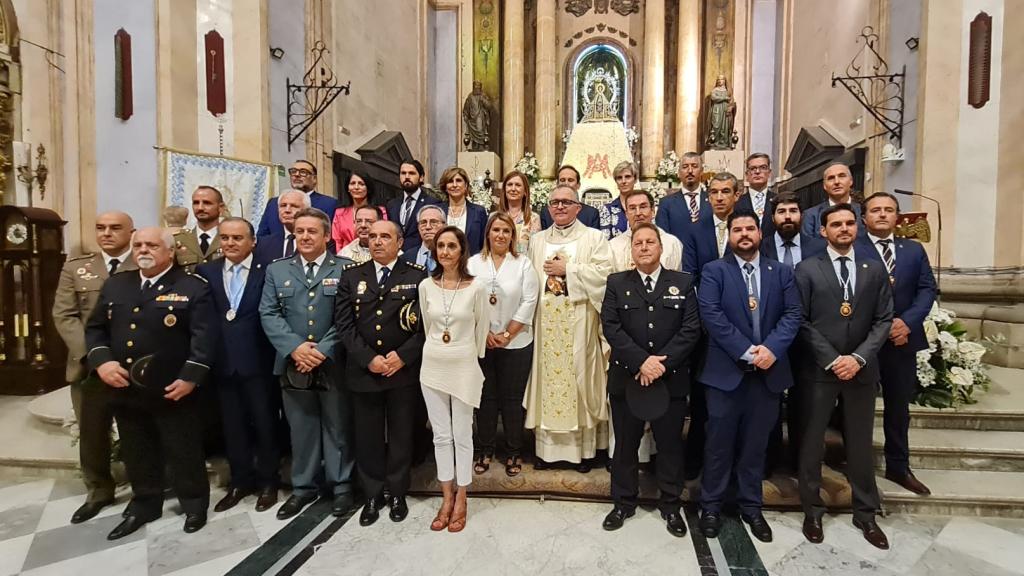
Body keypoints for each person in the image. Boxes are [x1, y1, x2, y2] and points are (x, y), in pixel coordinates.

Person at [85, 227, 214, 539]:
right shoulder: (117, 284)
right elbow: (96, 329)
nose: (144, 250)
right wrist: (103, 362)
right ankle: (145, 502)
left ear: (169, 252)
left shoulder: (192, 287)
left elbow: (204, 338)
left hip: (172, 386)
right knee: (136, 447)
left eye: (152, 245)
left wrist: (190, 377)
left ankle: (194, 503)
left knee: (182, 447)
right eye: (138, 244)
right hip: (124, 384)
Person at [696, 210, 802, 543]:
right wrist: (746, 350)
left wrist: (771, 349)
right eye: (737, 229)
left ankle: (751, 507)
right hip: (725, 374)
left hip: (768, 375)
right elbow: (711, 314)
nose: (744, 234)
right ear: (729, 236)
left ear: (760, 233)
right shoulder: (715, 270)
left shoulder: (781, 271)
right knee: (718, 446)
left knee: (756, 446)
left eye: (750, 229)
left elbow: (793, 314)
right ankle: (710, 506)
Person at [795, 203, 893, 550]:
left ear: (858, 227)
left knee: (860, 442)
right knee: (811, 441)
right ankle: (812, 509)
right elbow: (801, 320)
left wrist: (858, 358)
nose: (844, 229)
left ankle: (866, 511)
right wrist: (833, 358)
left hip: (861, 370)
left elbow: (884, 320)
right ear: (823, 231)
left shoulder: (873, 269)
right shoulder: (807, 269)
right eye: (836, 224)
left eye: (850, 223)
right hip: (820, 369)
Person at [600, 223, 701, 537]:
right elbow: (611, 326)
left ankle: (670, 506)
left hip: (668, 380)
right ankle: (623, 503)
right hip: (627, 377)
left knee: (669, 446)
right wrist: (641, 361)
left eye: (650, 242)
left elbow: (691, 329)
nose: (643, 247)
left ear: (661, 248)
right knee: (625, 446)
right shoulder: (616, 282)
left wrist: (660, 365)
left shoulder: (682, 283)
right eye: (638, 243)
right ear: (631, 250)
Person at [259, 208, 355, 520]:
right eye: (300, 231)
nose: (304, 236)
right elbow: (269, 313)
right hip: (292, 363)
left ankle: (341, 485)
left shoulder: (345, 268)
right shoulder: (278, 271)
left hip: (332, 361)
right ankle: (303, 488)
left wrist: (322, 349)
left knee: (337, 426)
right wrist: (295, 348)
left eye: (312, 231)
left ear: (327, 236)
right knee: (300, 428)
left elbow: (347, 316)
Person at [335, 220, 427, 527]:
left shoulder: (416, 275)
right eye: (372, 237)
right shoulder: (351, 276)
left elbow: (425, 325)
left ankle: (398, 492)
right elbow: (344, 325)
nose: (377, 242)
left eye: (385, 237)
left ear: (399, 242)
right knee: (368, 437)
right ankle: (372, 495)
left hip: (403, 370)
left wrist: (402, 357)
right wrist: (368, 359)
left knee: (402, 436)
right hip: (366, 372)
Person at [53, 211, 137, 524]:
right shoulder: (77, 267)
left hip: (133, 366)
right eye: (100, 227)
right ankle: (99, 490)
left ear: (131, 232)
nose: (107, 233)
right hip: (90, 366)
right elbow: (64, 315)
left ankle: (143, 486)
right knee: (92, 433)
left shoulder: (143, 264)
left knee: (137, 430)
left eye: (115, 228)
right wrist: (98, 359)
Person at [525, 185, 614, 471]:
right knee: (548, 383)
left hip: (580, 322)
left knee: (578, 381)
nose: (560, 207)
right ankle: (546, 453)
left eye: (566, 202)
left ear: (579, 207)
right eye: (554, 202)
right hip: (546, 325)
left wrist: (570, 270)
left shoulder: (594, 238)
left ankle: (582, 455)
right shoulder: (537, 241)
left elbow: (606, 276)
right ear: (548, 207)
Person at [196, 218, 281, 513]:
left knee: (266, 424)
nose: (230, 243)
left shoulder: (268, 270)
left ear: (252, 241)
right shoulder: (206, 272)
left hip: (260, 360)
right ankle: (239, 481)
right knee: (232, 426)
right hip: (223, 362)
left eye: (237, 238)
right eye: (226, 238)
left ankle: (269, 481)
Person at [857, 192, 937, 495]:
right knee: (857, 408)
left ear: (897, 217)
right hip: (864, 341)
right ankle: (856, 465)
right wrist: (883, 326)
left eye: (888, 210)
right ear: (864, 218)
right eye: (875, 210)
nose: (881, 215)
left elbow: (927, 289)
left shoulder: (913, 251)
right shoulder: (855, 247)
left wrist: (907, 322)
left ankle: (899, 466)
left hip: (903, 339)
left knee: (898, 407)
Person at [418, 226, 489, 533]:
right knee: (440, 436)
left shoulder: (476, 287)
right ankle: (446, 497)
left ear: (462, 251)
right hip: (432, 364)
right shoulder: (425, 286)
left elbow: (482, 331)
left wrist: (468, 356)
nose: (445, 251)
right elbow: (425, 325)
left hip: (463, 364)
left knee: (462, 434)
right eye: (440, 246)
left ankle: (462, 496)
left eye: (451, 246)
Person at [467, 212, 539, 477]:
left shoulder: (523, 264)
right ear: (488, 233)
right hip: (482, 341)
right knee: (485, 398)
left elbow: (529, 301)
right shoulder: (474, 263)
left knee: (512, 399)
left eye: (506, 231)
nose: (500, 235)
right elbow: (467, 300)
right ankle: (484, 449)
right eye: (496, 230)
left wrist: (507, 334)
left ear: (512, 236)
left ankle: (513, 451)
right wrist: (483, 331)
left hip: (517, 342)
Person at [760, 191, 825, 473]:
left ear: (802, 215)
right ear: (773, 217)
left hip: (808, 336)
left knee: (804, 402)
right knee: (769, 402)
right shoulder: (761, 246)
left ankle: (801, 461)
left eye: (793, 211)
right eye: (782, 211)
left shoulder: (817, 247)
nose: (787, 216)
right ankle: (770, 459)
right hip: (769, 335)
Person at [258, 160, 338, 237]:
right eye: (293, 171)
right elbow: (262, 236)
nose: (296, 175)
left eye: (303, 172)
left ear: (314, 179)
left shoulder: (329, 204)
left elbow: (331, 237)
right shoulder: (273, 203)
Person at [683, 171, 740, 279]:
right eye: (714, 192)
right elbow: (690, 273)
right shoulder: (695, 230)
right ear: (709, 197)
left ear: (736, 195)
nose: (719, 198)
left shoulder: (745, 229)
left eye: (725, 191)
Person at [609, 190, 683, 272]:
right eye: (632, 208)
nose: (638, 213)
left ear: (653, 211)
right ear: (626, 214)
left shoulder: (671, 243)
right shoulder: (614, 246)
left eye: (643, 207)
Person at [386, 160, 443, 254]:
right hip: (395, 257)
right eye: (403, 173)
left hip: (420, 257)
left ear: (421, 177)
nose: (407, 177)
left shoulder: (432, 203)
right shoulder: (392, 204)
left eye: (411, 173)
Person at [656, 152, 709, 246]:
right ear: (679, 172)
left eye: (694, 166)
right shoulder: (667, 203)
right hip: (679, 257)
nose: (690, 171)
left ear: (701, 171)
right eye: (685, 167)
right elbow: (663, 237)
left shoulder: (711, 200)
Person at [801, 162, 865, 238]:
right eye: (831, 178)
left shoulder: (864, 212)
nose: (836, 182)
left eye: (842, 176)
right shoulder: (811, 215)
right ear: (824, 185)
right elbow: (808, 246)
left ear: (851, 181)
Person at [174, 185, 225, 273]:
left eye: (207, 203)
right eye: (196, 203)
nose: (200, 208)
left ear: (221, 207)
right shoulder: (179, 239)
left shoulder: (229, 238)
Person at [331, 170, 387, 250]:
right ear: (348, 188)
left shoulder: (381, 211)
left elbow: (384, 235)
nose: (356, 187)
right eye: (352, 183)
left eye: (361, 184)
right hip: (346, 257)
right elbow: (337, 240)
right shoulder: (340, 212)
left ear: (368, 188)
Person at [439, 166, 488, 254]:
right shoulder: (438, 210)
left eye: (458, 181)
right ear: (445, 187)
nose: (454, 185)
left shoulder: (478, 211)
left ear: (466, 185)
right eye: (450, 181)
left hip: (471, 263)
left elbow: (484, 242)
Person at [539, 164, 600, 230]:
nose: (566, 183)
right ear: (557, 184)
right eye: (562, 180)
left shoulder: (591, 213)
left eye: (570, 180)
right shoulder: (546, 212)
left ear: (578, 185)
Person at [496, 170, 541, 254]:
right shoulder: (494, 217)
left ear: (525, 191)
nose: (513, 189)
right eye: (510, 185)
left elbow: (536, 250)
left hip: (524, 265)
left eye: (518, 185)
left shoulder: (534, 218)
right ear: (504, 190)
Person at [736, 153, 775, 236]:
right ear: (747, 174)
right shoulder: (736, 202)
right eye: (753, 168)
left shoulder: (777, 200)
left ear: (769, 173)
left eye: (763, 167)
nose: (757, 172)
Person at [598, 161, 638, 240]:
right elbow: (605, 240)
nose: (623, 181)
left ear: (635, 179)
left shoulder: (644, 206)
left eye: (627, 177)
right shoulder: (607, 209)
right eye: (619, 178)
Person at [400, 205, 445, 273]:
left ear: (445, 226)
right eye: (423, 223)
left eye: (434, 222)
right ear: (418, 227)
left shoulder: (454, 255)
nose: (428, 227)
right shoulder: (405, 258)